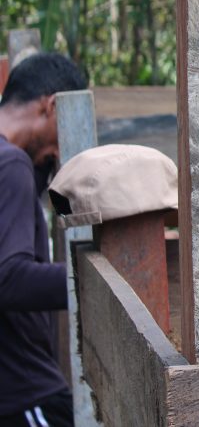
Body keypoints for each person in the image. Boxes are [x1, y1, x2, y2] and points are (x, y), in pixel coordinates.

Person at [0, 52, 87, 427]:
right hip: (24, 391)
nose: (60, 151)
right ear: (52, 106)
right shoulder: (11, 164)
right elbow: (9, 278)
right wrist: (93, 280)